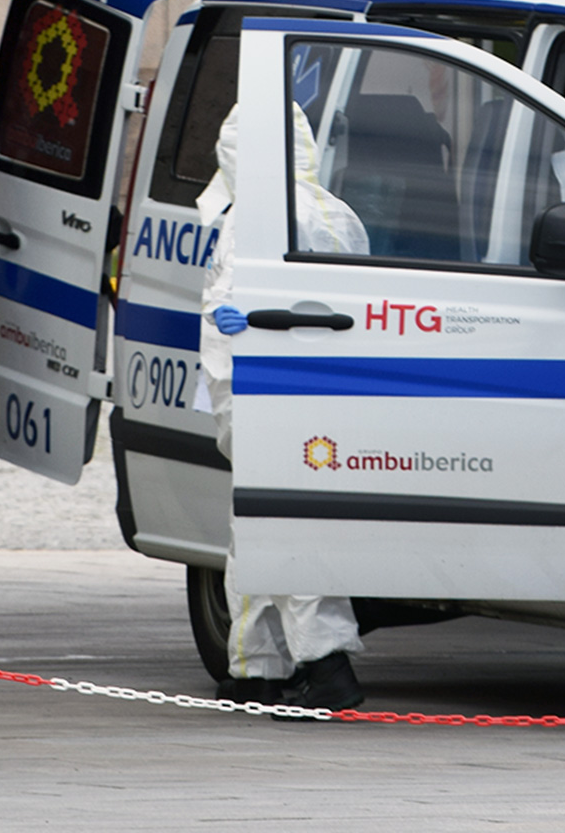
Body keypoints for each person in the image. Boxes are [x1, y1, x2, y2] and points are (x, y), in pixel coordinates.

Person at [197, 103, 368, 710]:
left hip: (266, 393)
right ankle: (256, 668)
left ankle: (325, 663)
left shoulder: (255, 218)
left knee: (282, 525)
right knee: (264, 524)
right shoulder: (331, 209)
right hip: (314, 392)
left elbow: (231, 322)